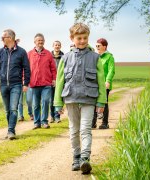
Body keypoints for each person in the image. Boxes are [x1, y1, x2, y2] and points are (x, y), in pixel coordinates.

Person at [54, 23, 106, 174]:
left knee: (85, 129)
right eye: (79, 38)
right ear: (72, 38)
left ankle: (85, 159)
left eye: (85, 38)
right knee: (74, 130)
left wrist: (101, 101)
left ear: (88, 38)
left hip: (89, 99)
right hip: (71, 98)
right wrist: (58, 103)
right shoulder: (65, 58)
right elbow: (59, 82)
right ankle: (76, 157)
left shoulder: (95, 58)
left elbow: (101, 82)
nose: (82, 41)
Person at [0, 29, 30, 140]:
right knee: (7, 110)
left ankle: (10, 131)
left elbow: (27, 68)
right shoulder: (0, 52)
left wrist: (25, 83)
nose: (1, 39)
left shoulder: (21, 52)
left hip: (16, 84)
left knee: (13, 108)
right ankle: (10, 129)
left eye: (3, 37)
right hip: (3, 84)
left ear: (10, 38)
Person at [28, 33, 57, 129]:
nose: (40, 42)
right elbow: (26, 68)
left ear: (44, 41)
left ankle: (44, 121)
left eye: (42, 40)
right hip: (34, 84)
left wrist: (54, 79)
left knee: (45, 102)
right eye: (38, 40)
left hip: (46, 83)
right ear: (34, 42)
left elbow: (53, 68)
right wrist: (25, 80)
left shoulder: (48, 54)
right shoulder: (29, 54)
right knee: (35, 105)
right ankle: (36, 122)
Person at [92, 38, 115, 129]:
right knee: (93, 102)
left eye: (99, 46)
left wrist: (108, 81)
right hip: (94, 83)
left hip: (104, 84)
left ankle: (105, 123)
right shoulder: (94, 56)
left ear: (104, 47)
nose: (97, 47)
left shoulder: (109, 57)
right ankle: (93, 123)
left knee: (104, 103)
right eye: (96, 45)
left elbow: (111, 70)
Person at [49, 40, 64, 123]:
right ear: (53, 46)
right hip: (51, 81)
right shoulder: (49, 56)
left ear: (60, 46)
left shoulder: (64, 56)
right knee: (51, 100)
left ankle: (57, 117)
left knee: (58, 99)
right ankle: (52, 116)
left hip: (60, 81)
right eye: (56, 45)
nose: (57, 46)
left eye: (58, 45)